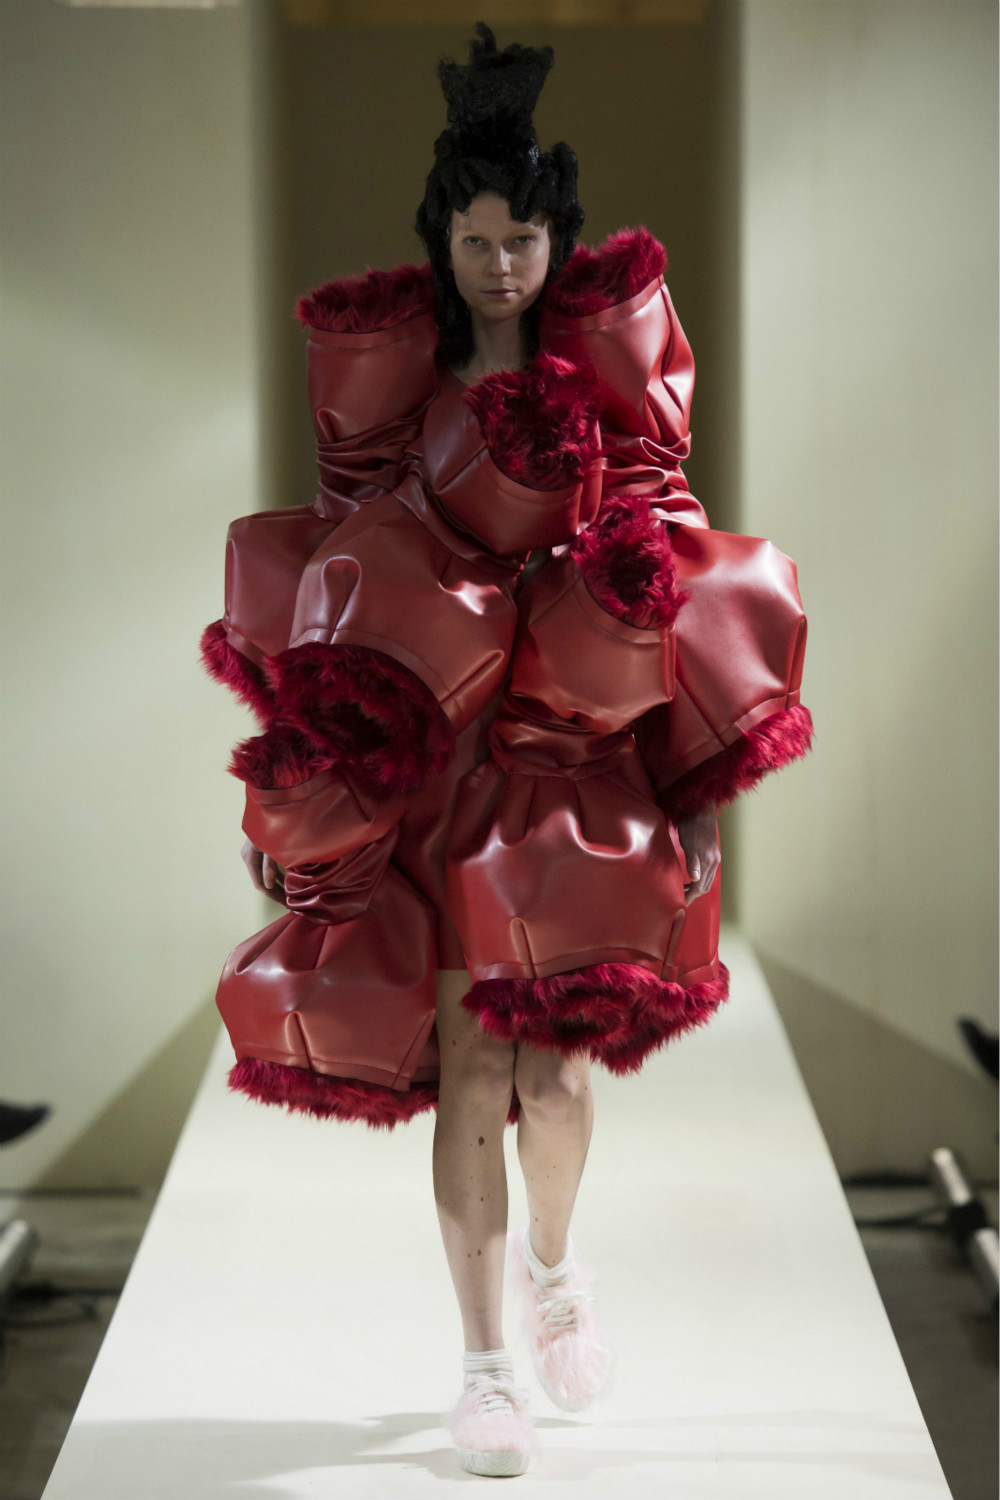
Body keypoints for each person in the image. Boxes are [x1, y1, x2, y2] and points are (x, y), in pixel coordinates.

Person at [199, 23, 814, 1480]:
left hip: (571, 766)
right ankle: (483, 1364)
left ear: (555, 242)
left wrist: (694, 792)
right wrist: (304, 783)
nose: (498, 265)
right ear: (444, 241)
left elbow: (670, 575)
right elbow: (334, 583)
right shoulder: (402, 403)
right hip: (439, 766)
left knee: (558, 1076)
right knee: (475, 1067)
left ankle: (554, 1270)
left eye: (521, 240)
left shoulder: (611, 405)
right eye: (475, 241)